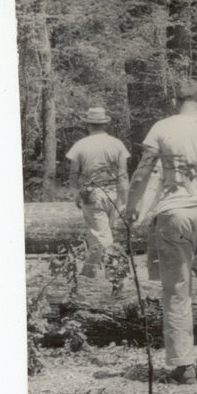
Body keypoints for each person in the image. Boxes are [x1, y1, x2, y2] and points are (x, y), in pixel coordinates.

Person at [124, 80, 197, 384]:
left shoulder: (162, 128)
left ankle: (184, 366)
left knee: (176, 289)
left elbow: (143, 171)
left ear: (175, 100)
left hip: (173, 213)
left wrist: (131, 206)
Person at [65, 106, 130, 278]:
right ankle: (89, 273)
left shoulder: (80, 145)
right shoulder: (118, 145)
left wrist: (76, 194)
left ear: (88, 125)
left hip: (92, 194)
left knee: (101, 236)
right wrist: (124, 199)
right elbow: (123, 176)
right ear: (105, 124)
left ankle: (115, 274)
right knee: (100, 235)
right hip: (113, 194)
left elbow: (73, 174)